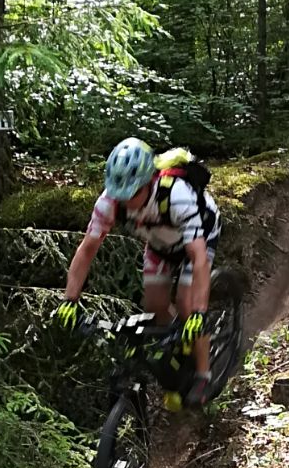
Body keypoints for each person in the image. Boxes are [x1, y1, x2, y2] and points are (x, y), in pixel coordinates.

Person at [55, 137, 222, 407]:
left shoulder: (176, 196)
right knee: (155, 306)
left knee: (187, 305)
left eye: (132, 193)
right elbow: (87, 249)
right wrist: (69, 300)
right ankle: (177, 352)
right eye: (120, 194)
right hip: (159, 244)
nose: (127, 201)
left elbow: (198, 256)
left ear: (149, 182)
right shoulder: (110, 201)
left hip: (200, 237)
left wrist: (199, 314)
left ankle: (203, 373)